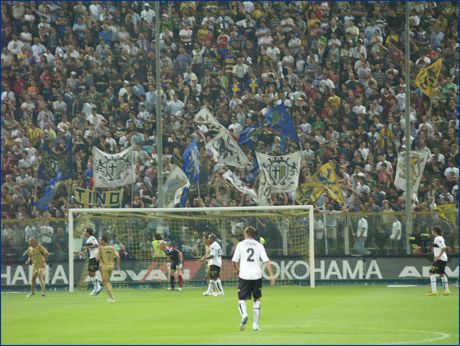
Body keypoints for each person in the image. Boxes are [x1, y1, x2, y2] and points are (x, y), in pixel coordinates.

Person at [232, 226, 275, 332]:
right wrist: (272, 276)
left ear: (246, 233)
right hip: (256, 275)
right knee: (257, 299)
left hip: (244, 275)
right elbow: (266, 261)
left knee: (242, 299)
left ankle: (244, 315)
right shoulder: (259, 245)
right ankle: (255, 325)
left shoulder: (240, 245)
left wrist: (237, 270)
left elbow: (234, 260)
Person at [426, 227, 451, 296]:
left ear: (435, 231)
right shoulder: (438, 238)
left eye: (432, 231)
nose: (431, 232)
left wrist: (438, 256)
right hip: (441, 258)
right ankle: (446, 290)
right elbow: (438, 248)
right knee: (442, 273)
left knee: (431, 272)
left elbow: (444, 248)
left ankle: (434, 291)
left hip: (440, 259)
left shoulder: (438, 238)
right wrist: (435, 255)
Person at [96, 236, 120, 303]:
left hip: (104, 267)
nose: (100, 241)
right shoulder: (112, 248)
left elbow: (97, 259)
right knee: (108, 281)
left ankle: (112, 298)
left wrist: (100, 257)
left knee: (105, 282)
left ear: (104, 241)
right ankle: (110, 297)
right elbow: (118, 256)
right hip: (111, 266)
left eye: (101, 240)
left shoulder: (101, 248)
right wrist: (118, 266)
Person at [79, 228, 102, 296]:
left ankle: (97, 288)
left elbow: (96, 245)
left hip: (94, 257)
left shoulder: (92, 238)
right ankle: (97, 288)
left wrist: (85, 247)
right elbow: (90, 248)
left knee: (91, 273)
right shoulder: (88, 239)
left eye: (85, 231)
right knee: (90, 273)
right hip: (91, 257)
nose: (84, 232)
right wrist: (83, 252)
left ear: (88, 232)